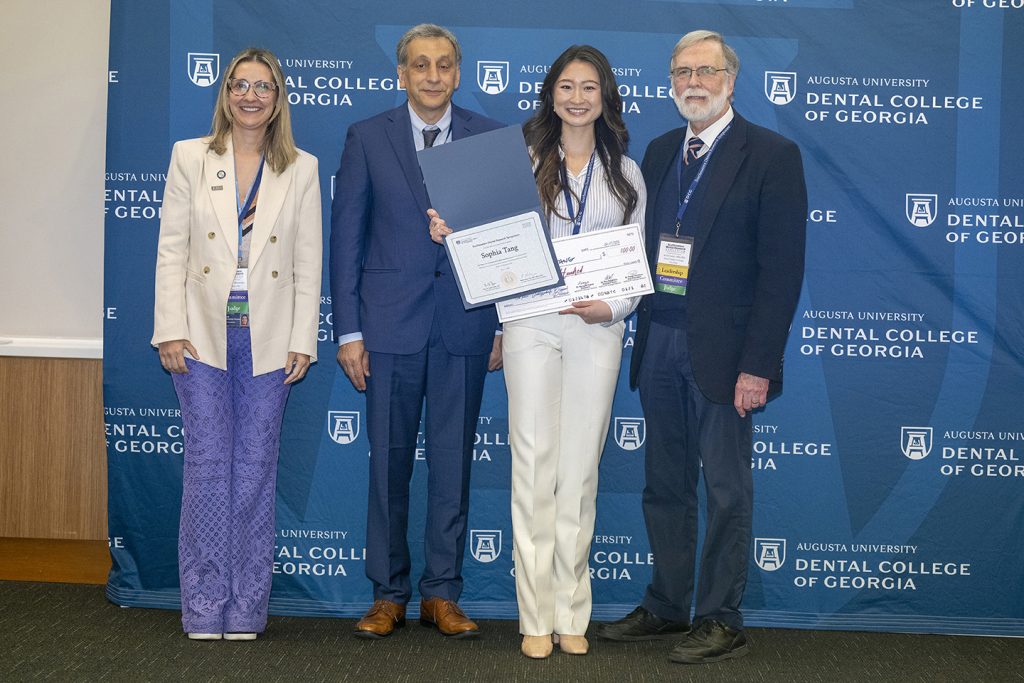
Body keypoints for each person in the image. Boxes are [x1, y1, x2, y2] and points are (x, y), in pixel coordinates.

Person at [595, 30, 807, 664]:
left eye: (707, 71)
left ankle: (721, 617)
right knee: (664, 486)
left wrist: (759, 364)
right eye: (683, 71)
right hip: (658, 339)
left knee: (725, 489)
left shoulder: (772, 154)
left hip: (726, 354)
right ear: (670, 81)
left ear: (731, 80)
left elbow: (782, 272)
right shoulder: (657, 152)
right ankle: (666, 604)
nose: (695, 82)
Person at [431, 44, 644, 659]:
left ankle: (571, 609)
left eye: (589, 88)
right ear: (551, 95)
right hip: (528, 322)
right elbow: (486, 241)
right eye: (566, 87)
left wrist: (613, 309)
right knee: (531, 465)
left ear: (604, 98)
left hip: (598, 328)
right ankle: (534, 616)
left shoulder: (625, 173)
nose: (577, 98)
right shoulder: (520, 162)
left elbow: (633, 271)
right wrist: (453, 232)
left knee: (579, 471)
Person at [329, 23, 503, 640]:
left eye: (445, 65)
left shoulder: (489, 137)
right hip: (387, 327)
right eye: (421, 65)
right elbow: (345, 240)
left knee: (453, 465)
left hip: (465, 321)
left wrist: (503, 320)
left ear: (459, 73)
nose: (433, 76)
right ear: (401, 73)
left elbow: (506, 240)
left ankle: (442, 594)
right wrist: (347, 331)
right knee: (388, 467)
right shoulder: (367, 137)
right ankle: (388, 594)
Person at [152, 47, 322, 641]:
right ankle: (202, 605)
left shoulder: (300, 167)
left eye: (264, 86)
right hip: (200, 337)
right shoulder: (190, 158)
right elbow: (172, 248)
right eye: (240, 85)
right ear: (225, 94)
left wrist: (303, 337)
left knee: (253, 471)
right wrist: (169, 327)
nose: (251, 96)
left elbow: (307, 262)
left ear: (279, 99)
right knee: (206, 468)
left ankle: (247, 607)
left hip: (269, 341)